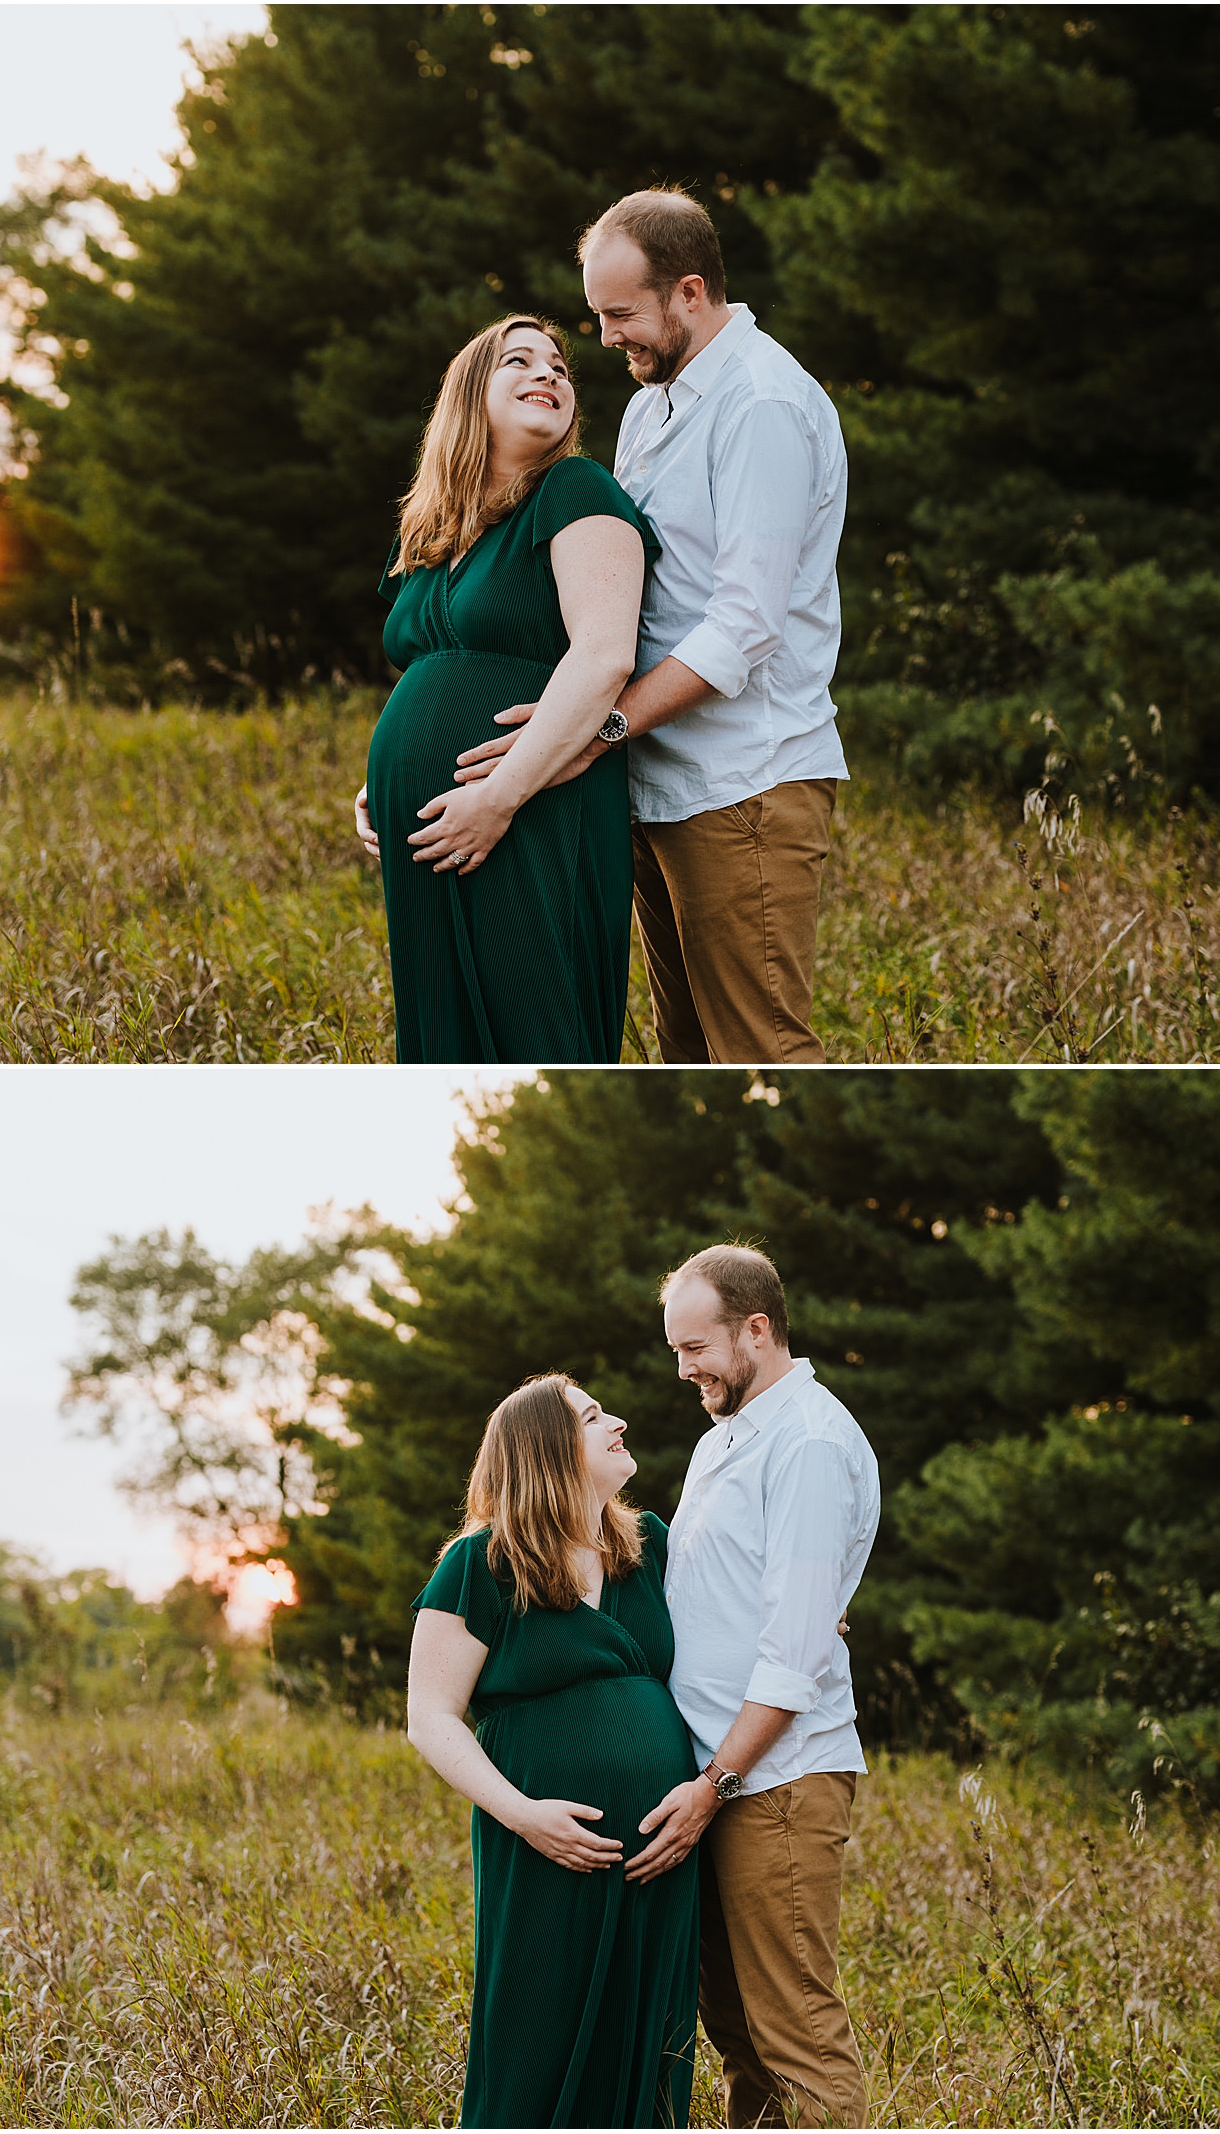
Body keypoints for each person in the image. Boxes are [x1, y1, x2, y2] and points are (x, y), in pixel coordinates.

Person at [454, 190, 849, 1066]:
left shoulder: (762, 405)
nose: (603, 339)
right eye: (596, 315)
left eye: (620, 314)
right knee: (685, 1053)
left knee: (761, 1049)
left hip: (744, 785)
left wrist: (604, 725)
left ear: (691, 293)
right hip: (655, 785)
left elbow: (743, 625)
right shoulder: (650, 407)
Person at [355, 314, 659, 1062]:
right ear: (467, 396)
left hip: (530, 805)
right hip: (432, 828)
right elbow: (427, 673)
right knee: (444, 1034)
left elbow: (602, 657)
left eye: (558, 365)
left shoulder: (574, 489)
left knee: (532, 1021)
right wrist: (380, 779)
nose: (549, 373)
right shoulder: (430, 531)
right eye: (517, 361)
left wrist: (498, 798)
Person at [627, 1245, 880, 2129]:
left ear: (757, 1329)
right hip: (717, 1779)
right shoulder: (723, 1439)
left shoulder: (808, 1442)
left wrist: (713, 1786)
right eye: (676, 1350)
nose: (684, 1368)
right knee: (738, 2035)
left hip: (772, 1784)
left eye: (696, 1348)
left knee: (797, 2034)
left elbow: (793, 1652)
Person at [407, 1374, 700, 2129]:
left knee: (648, 2043)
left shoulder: (654, 1548)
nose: (620, 1421)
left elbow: (743, 1630)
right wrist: (523, 1814)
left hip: (662, 1852)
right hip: (542, 1846)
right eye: (595, 1415)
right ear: (545, 1449)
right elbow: (430, 1716)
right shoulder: (480, 1564)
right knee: (537, 2036)